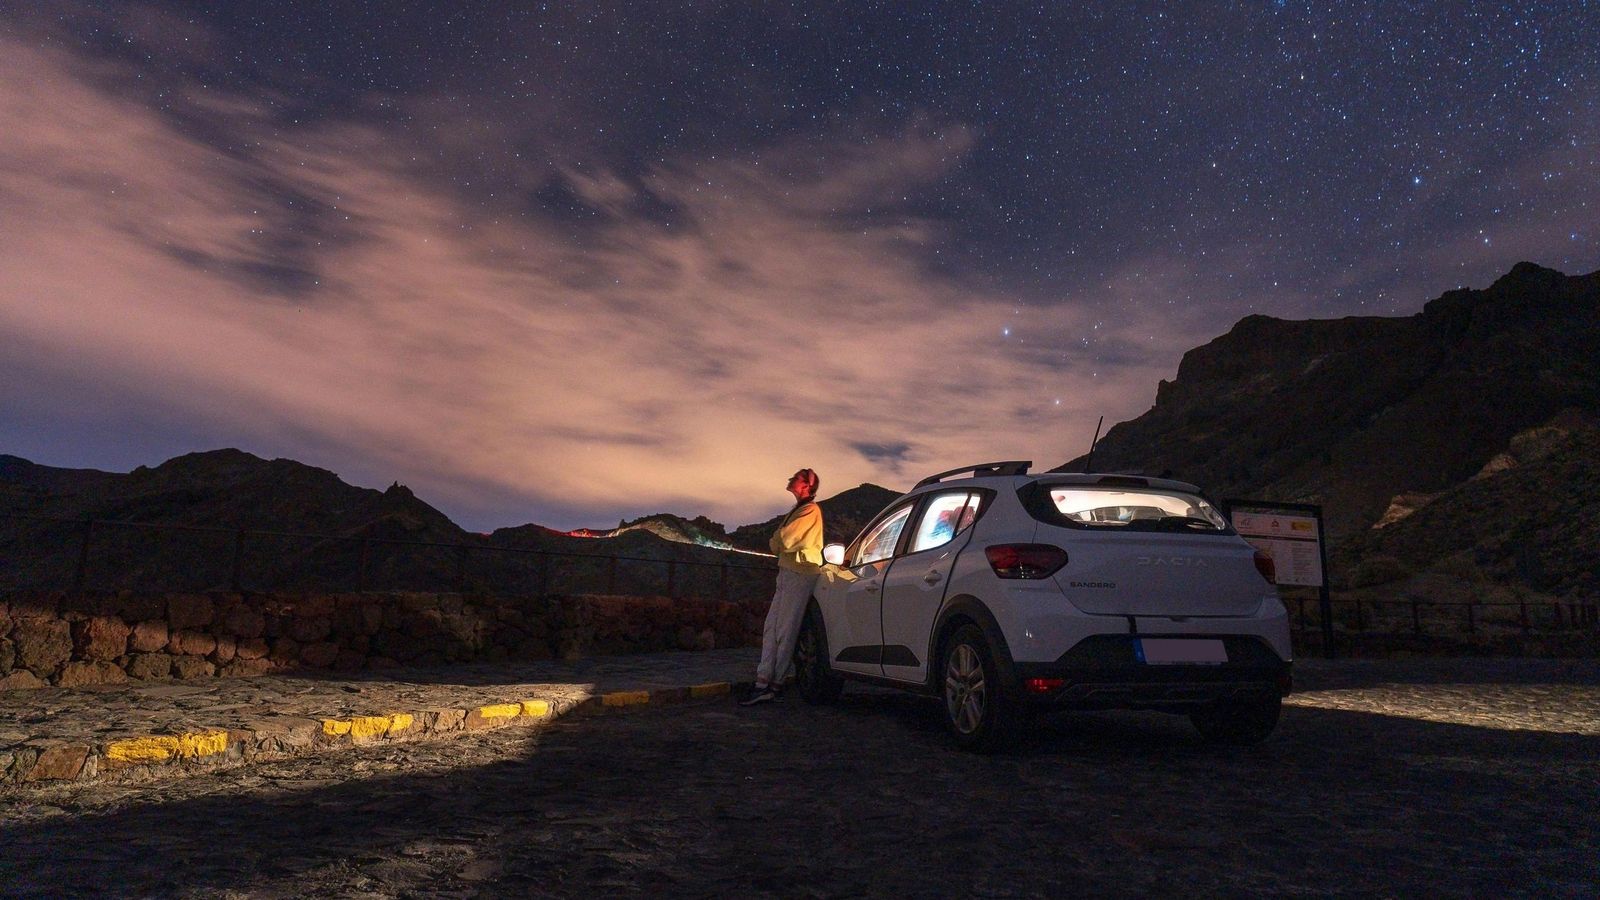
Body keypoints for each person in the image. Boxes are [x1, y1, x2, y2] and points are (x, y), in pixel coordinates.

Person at [740, 468, 824, 706]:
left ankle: (774, 683)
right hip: (789, 572)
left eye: (796, 478)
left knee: (785, 630)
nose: (790, 479)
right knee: (772, 628)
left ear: (806, 485)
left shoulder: (809, 510)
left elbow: (783, 540)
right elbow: (780, 541)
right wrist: (779, 540)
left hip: (799, 573)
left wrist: (778, 539)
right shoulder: (799, 510)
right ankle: (763, 680)